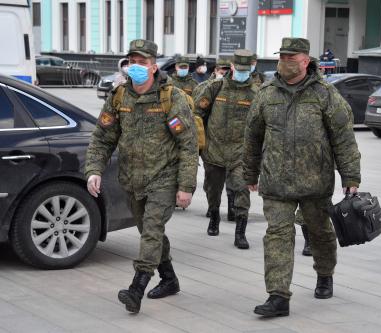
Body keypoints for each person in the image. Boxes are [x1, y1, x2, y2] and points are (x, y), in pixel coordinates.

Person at [244, 37, 361, 317]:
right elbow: (252, 136)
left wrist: (351, 177)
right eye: (282, 56)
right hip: (276, 183)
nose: (285, 62)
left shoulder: (325, 94)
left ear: (306, 61)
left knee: (320, 233)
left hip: (315, 183)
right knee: (277, 237)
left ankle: (324, 274)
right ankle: (278, 295)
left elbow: (343, 139)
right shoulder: (266, 93)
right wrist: (249, 171)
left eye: (291, 57)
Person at [85, 39, 198, 314]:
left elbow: (188, 143)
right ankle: (169, 279)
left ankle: (137, 287)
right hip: (132, 179)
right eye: (132, 61)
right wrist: (93, 170)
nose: (136, 66)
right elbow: (102, 137)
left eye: (142, 62)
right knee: (150, 232)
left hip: (164, 177)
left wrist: (186, 186)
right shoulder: (119, 96)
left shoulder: (170, 97)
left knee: (151, 231)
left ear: (153, 66)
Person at [194, 49, 258, 249]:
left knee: (242, 190)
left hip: (241, 154)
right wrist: (200, 144)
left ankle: (240, 232)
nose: (241, 72)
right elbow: (197, 113)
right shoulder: (216, 87)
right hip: (214, 151)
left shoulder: (256, 93)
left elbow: (261, 126)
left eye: (245, 69)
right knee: (213, 190)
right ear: (232, 67)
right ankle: (214, 216)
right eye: (238, 68)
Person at [192, 58, 237, 221]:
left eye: (227, 69)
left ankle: (233, 208)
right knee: (212, 182)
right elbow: (198, 115)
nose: (223, 72)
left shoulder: (236, 89)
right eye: (221, 69)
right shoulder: (204, 88)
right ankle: (213, 208)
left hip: (235, 146)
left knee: (235, 181)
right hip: (212, 143)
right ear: (215, 70)